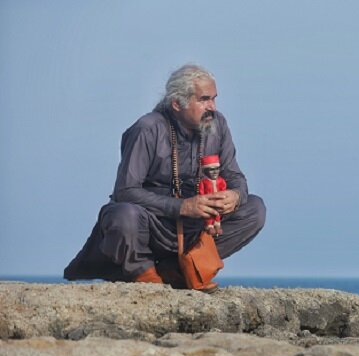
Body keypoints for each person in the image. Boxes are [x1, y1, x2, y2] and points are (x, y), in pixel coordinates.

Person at [63, 64, 266, 288]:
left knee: (254, 209)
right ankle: (143, 271)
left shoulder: (218, 125)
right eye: (204, 99)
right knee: (122, 215)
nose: (213, 107)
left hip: (197, 225)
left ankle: (180, 269)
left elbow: (236, 177)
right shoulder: (147, 129)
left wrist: (234, 196)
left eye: (214, 99)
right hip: (152, 225)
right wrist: (182, 207)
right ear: (177, 103)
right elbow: (125, 191)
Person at [199, 155, 227, 236]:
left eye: (217, 169)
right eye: (211, 170)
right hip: (208, 202)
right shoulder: (204, 182)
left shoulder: (220, 181)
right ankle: (209, 226)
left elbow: (223, 188)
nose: (215, 172)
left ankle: (217, 225)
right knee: (209, 215)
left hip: (219, 202)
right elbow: (201, 191)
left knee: (217, 214)